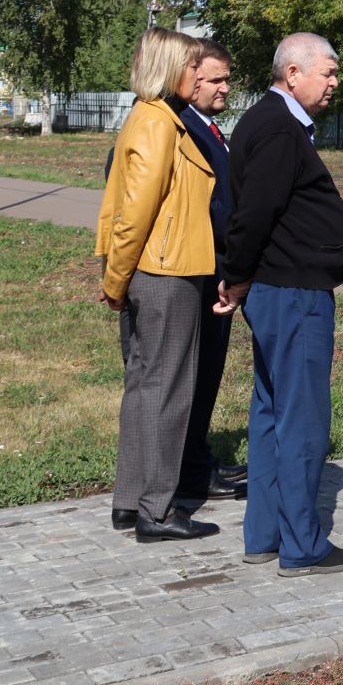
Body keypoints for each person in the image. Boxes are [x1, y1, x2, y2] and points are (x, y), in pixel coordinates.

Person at [218, 32, 343, 576]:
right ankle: (303, 545)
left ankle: (264, 534)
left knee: (271, 413)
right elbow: (254, 213)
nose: (334, 82)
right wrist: (236, 276)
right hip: (294, 294)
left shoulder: (264, 120)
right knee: (301, 419)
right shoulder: (280, 128)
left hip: (276, 290)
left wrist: (240, 277)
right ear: (293, 74)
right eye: (327, 71)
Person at [95, 29, 219, 543]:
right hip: (166, 274)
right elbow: (134, 213)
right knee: (167, 392)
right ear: (172, 69)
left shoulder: (154, 117)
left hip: (155, 270)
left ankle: (131, 503)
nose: (199, 74)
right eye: (193, 66)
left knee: (145, 388)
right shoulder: (158, 124)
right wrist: (115, 279)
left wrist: (121, 277)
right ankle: (159, 511)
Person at [174, 39, 245, 505]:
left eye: (226, 80)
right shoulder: (181, 128)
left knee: (207, 374)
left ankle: (196, 459)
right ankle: (189, 472)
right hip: (198, 271)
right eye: (216, 80)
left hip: (214, 266)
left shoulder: (207, 127)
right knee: (192, 378)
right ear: (192, 78)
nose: (224, 89)